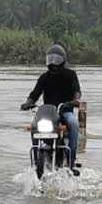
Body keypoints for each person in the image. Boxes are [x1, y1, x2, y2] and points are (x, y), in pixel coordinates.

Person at [20, 44, 82, 176]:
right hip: (48, 113)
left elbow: (76, 90)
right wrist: (28, 103)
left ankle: (71, 162)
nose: (53, 62)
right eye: (51, 59)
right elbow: (34, 94)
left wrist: (75, 100)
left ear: (63, 60)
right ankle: (37, 158)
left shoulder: (70, 74)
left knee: (74, 124)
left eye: (56, 59)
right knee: (33, 126)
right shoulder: (44, 77)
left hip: (65, 110)